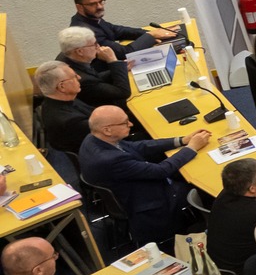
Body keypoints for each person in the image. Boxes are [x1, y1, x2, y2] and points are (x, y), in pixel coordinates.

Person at [78, 105, 210, 247]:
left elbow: (137, 146)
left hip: (130, 187)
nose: (131, 124)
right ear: (107, 130)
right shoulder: (110, 159)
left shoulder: (93, 138)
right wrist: (192, 148)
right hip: (148, 201)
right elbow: (161, 171)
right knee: (202, 185)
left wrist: (182, 140)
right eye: (124, 123)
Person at [70, 0, 175, 56]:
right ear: (79, 7)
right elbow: (125, 52)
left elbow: (117, 30)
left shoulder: (91, 18)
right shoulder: (84, 32)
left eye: (101, 1)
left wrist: (152, 33)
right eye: (93, 4)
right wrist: (150, 36)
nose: (99, 7)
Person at [60, 19, 137, 109]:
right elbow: (123, 92)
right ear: (80, 51)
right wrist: (112, 60)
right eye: (94, 44)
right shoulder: (81, 79)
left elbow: (96, 77)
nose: (98, 47)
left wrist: (119, 69)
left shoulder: (67, 56)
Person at [30, 60, 91, 157]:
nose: (79, 77)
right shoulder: (71, 120)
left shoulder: (54, 101)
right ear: (62, 86)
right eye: (74, 76)